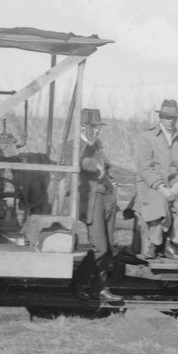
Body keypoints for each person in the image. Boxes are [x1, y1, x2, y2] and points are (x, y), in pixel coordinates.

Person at [133, 99, 178, 260]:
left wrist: (177, 186)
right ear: (160, 117)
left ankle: (173, 243)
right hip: (153, 185)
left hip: (176, 185)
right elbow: (145, 167)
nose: (171, 121)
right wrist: (162, 189)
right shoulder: (147, 137)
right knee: (159, 203)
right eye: (167, 117)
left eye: (174, 118)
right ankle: (154, 243)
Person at [70, 108, 121, 302]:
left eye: (99, 126)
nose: (97, 129)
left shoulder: (98, 144)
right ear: (83, 126)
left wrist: (111, 181)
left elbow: (105, 166)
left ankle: (98, 288)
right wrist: (96, 166)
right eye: (94, 126)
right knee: (100, 247)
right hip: (91, 200)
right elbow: (79, 165)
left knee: (109, 248)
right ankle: (79, 283)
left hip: (107, 197)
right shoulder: (74, 145)